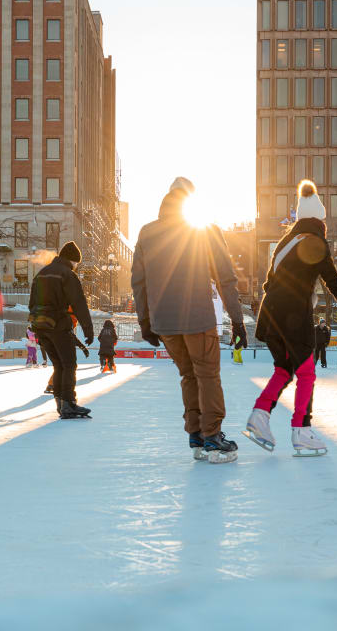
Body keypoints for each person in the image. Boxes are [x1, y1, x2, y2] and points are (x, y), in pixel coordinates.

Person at [246, 181, 337, 456]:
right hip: (292, 316)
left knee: (284, 370)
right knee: (307, 373)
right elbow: (334, 283)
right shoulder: (315, 241)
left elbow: (269, 284)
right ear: (319, 220)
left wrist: (302, 293)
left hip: (270, 315)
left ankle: (260, 415)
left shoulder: (285, 242)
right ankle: (301, 429)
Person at [131, 177, 245, 462]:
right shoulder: (204, 229)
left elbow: (139, 282)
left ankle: (196, 433)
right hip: (196, 317)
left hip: (165, 322)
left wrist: (145, 322)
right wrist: (238, 321)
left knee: (188, 375)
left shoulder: (147, 232)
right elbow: (225, 279)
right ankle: (212, 437)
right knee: (207, 375)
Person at [29, 242, 94, 419]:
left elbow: (32, 303)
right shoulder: (67, 274)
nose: (76, 266)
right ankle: (68, 404)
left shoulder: (41, 273)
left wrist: (37, 324)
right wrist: (88, 329)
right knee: (69, 364)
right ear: (72, 260)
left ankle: (60, 403)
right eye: (76, 263)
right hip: (57, 324)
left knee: (58, 365)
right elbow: (79, 303)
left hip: (40, 326)